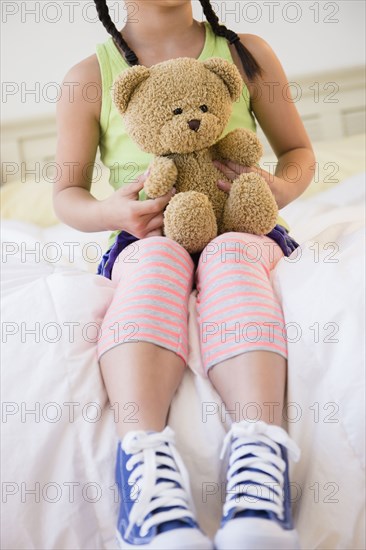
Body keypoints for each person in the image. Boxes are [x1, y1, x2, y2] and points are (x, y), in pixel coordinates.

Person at [54, 1, 315, 548]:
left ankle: (259, 461)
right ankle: (145, 470)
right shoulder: (90, 76)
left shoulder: (246, 52)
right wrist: (113, 213)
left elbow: (297, 152)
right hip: (149, 233)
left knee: (230, 258)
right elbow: (66, 196)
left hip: (242, 225)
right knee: (154, 263)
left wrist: (279, 189)